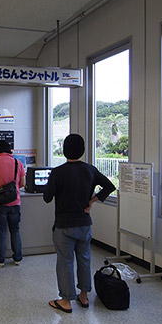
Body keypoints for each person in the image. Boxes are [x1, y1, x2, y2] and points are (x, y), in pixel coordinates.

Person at [43, 133, 115, 313]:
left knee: (65, 261)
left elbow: (46, 197)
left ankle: (66, 300)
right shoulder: (90, 170)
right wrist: (92, 201)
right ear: (82, 150)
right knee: (84, 259)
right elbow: (109, 186)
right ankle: (84, 295)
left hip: (64, 225)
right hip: (84, 224)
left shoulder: (58, 172)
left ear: (65, 149)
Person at [0, 140, 25, 267]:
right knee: (15, 230)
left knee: (1, 232)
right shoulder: (17, 162)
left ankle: (0, 260)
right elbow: (22, 184)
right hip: (15, 202)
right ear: (9, 149)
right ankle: (17, 258)